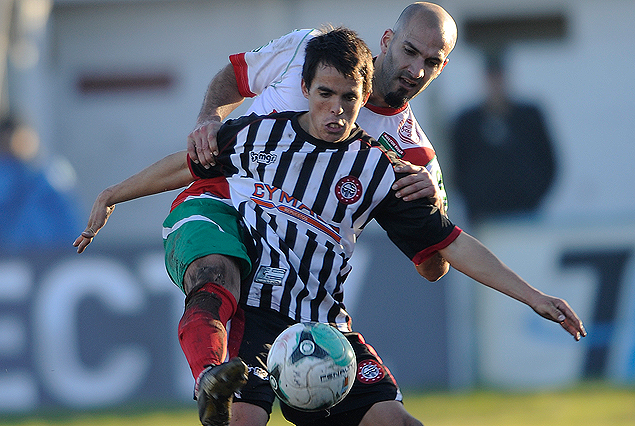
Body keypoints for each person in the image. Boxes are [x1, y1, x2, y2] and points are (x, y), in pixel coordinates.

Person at [75, 27, 586, 426]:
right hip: (256, 312)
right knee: (232, 383)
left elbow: (447, 245)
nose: (336, 110)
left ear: (365, 99)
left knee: (397, 422)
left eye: (349, 99)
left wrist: (532, 295)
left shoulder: (386, 167)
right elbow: (189, 164)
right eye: (325, 94)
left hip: (322, 326)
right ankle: (210, 376)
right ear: (306, 89)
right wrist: (112, 194)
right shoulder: (262, 134)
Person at [187, 2, 458, 213]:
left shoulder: (416, 155)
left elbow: (436, 255)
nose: (417, 71)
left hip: (293, 254)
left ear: (443, 67)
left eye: (432, 62)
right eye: (409, 51)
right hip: (220, 203)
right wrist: (208, 118)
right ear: (387, 40)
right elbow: (237, 76)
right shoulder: (307, 49)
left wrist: (433, 204)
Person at [450, 55, 557, 224]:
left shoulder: (529, 116)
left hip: (526, 212)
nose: (496, 84)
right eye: (491, 78)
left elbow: (548, 161)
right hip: (483, 215)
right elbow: (456, 165)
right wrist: (473, 200)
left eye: (499, 77)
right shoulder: (467, 122)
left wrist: (534, 195)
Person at [0, 115, 81, 253]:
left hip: (53, 255)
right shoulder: (10, 178)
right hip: (13, 258)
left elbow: (70, 221)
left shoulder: (51, 175)